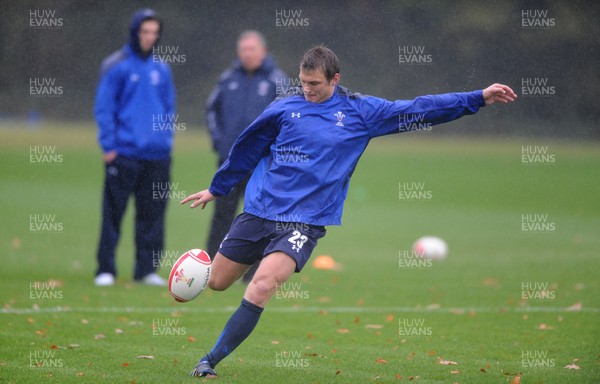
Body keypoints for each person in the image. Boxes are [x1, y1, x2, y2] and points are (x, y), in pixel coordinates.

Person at [181, 46, 517, 377]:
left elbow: (418, 109)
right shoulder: (284, 108)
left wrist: (477, 98)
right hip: (260, 211)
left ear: (335, 79)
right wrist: (218, 187)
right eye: (303, 82)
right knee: (220, 282)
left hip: (304, 222)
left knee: (261, 285)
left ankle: (209, 361)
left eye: (314, 84)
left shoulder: (360, 112)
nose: (307, 90)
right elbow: (248, 145)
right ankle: (237, 258)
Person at [94, 9, 176, 286]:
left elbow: (168, 108)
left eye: (154, 32)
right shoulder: (116, 65)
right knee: (113, 214)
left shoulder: (162, 68)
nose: (150, 37)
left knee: (153, 215)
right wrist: (109, 146)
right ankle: (106, 269)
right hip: (124, 153)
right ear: (134, 32)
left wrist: (166, 141)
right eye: (145, 31)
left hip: (157, 156)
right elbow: (104, 108)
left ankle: (146, 270)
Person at [205, 30, 286, 283]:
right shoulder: (228, 78)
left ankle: (253, 271)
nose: (248, 54)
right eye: (244, 49)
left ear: (263, 51)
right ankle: (208, 267)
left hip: (262, 164)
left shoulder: (277, 79)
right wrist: (219, 141)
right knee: (222, 214)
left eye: (252, 49)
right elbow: (211, 111)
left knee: (259, 217)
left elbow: (289, 119)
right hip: (230, 161)